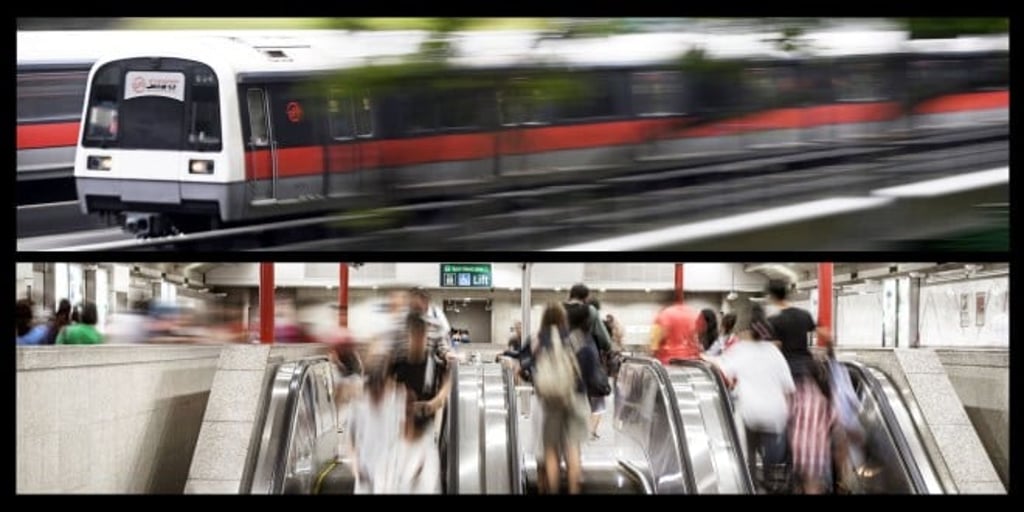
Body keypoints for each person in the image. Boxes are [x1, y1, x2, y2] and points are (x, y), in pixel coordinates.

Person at [703, 306, 794, 493]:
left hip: (751, 412)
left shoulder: (741, 350)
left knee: (750, 453)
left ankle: (750, 483)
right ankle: (770, 483)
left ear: (749, 330)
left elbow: (721, 365)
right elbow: (789, 386)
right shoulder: (774, 352)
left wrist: (700, 356)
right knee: (770, 457)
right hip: (774, 413)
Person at [525, 302, 589, 494]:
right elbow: (589, 368)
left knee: (550, 450)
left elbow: (526, 365)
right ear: (564, 318)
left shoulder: (537, 339)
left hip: (550, 401)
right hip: (575, 397)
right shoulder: (575, 338)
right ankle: (573, 489)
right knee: (572, 447)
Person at [391, 313, 453, 494]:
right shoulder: (398, 364)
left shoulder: (434, 362)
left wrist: (436, 402)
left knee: (428, 484)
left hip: (425, 435)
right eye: (415, 336)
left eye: (423, 335)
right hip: (402, 437)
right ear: (409, 336)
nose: (419, 341)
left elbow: (447, 380)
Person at [348, 362, 405, 494]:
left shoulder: (397, 402)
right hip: (364, 472)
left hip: (389, 472)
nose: (377, 396)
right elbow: (350, 441)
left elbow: (403, 436)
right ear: (367, 389)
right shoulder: (357, 405)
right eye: (373, 392)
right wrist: (354, 465)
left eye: (381, 391)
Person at [650, 292, 702, 364]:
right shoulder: (694, 313)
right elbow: (700, 338)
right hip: (693, 361)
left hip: (669, 361)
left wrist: (653, 353)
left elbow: (654, 341)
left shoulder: (664, 314)